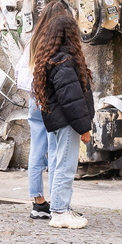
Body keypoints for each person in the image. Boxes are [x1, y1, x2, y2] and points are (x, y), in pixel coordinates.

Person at [32, 14, 95, 229]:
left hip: (59, 121)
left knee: (60, 165)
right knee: (65, 167)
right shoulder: (65, 60)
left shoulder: (54, 58)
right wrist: (84, 127)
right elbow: (72, 98)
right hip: (67, 122)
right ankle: (59, 212)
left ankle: (61, 208)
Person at [15, 1, 68, 219]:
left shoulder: (34, 41)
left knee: (37, 150)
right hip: (51, 100)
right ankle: (57, 203)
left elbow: (20, 73)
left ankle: (38, 202)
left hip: (34, 99)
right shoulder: (57, 43)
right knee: (56, 151)